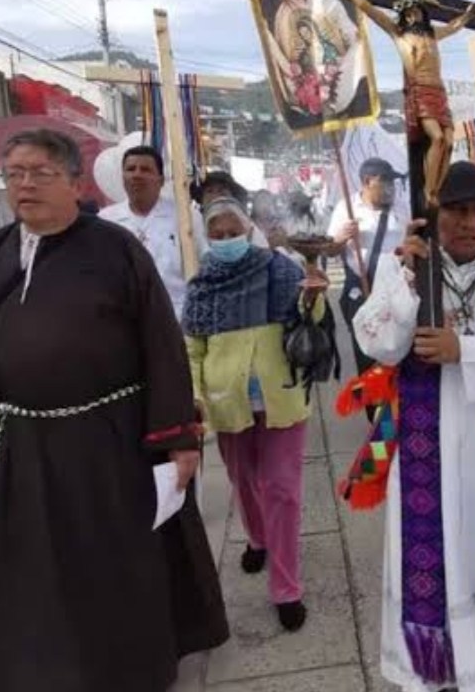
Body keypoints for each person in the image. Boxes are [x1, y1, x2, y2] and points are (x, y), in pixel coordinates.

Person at [0, 128, 228, 692]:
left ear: (73, 181)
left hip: (109, 439)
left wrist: (178, 439)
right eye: (15, 173)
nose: (25, 185)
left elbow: (161, 346)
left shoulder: (117, 251)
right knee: (29, 569)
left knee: (114, 564)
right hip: (24, 445)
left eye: (40, 172)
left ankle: (125, 669)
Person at [352, 161, 475, 692]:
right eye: (457, 211)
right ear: (435, 216)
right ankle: (429, 665)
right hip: (424, 440)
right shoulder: (407, 267)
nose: (468, 222)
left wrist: (464, 349)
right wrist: (405, 285)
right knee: (430, 551)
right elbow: (376, 341)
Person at [184, 197, 327, 632]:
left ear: (249, 231)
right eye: (218, 234)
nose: (226, 240)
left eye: (234, 232)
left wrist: (313, 296)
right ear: (208, 237)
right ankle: (258, 537)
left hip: (280, 398)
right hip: (228, 402)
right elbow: (193, 350)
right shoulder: (201, 286)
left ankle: (286, 588)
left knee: (281, 489)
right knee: (243, 481)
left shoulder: (279, 270)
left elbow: (308, 321)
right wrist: (193, 396)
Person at [330, 0, 475, 205]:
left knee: (449, 142)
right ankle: (429, 190)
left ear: (422, 12)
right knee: (437, 138)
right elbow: (368, 8)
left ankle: (437, 189)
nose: (412, 16)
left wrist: (468, 16)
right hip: (421, 93)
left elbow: (453, 26)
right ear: (403, 15)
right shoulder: (399, 34)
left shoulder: (432, 34)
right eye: (408, 13)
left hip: (439, 93)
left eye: (416, 11)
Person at [99, 145, 209, 319]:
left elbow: (205, 264)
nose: (137, 175)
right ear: (122, 177)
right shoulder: (106, 220)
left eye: (145, 169)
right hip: (122, 319)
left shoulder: (185, 216)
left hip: (177, 318)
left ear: (161, 179)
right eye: (130, 169)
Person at [327, 157, 410, 376]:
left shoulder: (401, 208)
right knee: (368, 357)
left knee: (398, 351)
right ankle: (374, 408)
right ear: (366, 182)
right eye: (385, 182)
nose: (391, 189)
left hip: (395, 289)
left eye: (393, 183)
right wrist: (342, 237)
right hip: (361, 290)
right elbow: (330, 249)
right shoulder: (346, 207)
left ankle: (397, 405)